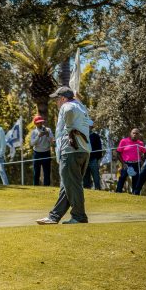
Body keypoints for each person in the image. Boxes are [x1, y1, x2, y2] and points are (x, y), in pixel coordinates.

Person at [37, 86, 91, 225]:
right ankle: (54, 216)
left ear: (63, 98)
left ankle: (79, 216)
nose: (56, 103)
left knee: (72, 185)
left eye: (57, 99)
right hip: (83, 150)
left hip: (70, 150)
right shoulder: (81, 106)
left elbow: (68, 111)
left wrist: (68, 128)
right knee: (67, 185)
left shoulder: (67, 106)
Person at [115, 128, 146, 193]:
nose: (135, 135)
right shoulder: (124, 141)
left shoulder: (140, 143)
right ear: (130, 133)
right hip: (126, 163)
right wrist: (123, 163)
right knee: (122, 178)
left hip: (136, 164)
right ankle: (118, 192)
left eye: (136, 133)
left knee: (136, 179)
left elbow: (145, 153)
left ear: (139, 135)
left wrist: (143, 160)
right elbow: (118, 153)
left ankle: (135, 194)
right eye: (133, 133)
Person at [29, 115, 54, 186]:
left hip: (46, 153)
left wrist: (47, 135)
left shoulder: (48, 130)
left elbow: (52, 141)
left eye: (41, 122)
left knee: (47, 172)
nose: (40, 124)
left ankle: (47, 187)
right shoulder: (34, 132)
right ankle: (35, 187)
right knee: (36, 172)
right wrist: (38, 136)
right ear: (35, 123)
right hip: (37, 153)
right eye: (38, 123)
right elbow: (32, 143)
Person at [82, 121, 103, 190]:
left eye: (89, 126)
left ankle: (98, 189)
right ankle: (87, 190)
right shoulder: (82, 135)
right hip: (84, 159)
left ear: (91, 127)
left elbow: (99, 148)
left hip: (93, 159)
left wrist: (97, 158)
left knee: (96, 176)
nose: (87, 128)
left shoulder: (95, 136)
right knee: (85, 176)